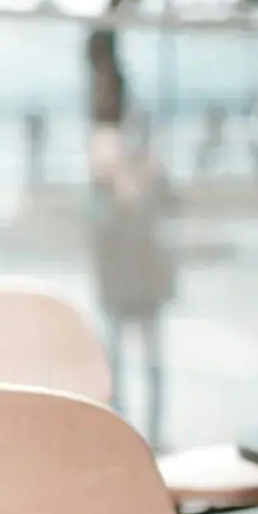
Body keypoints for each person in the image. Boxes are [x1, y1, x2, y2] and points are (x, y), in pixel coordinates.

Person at [86, 120, 176, 447]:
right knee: (115, 370)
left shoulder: (149, 180)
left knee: (154, 368)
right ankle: (120, 435)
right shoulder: (102, 188)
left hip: (147, 289)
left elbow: (171, 208)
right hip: (117, 291)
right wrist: (113, 186)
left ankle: (156, 434)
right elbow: (98, 233)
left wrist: (151, 176)